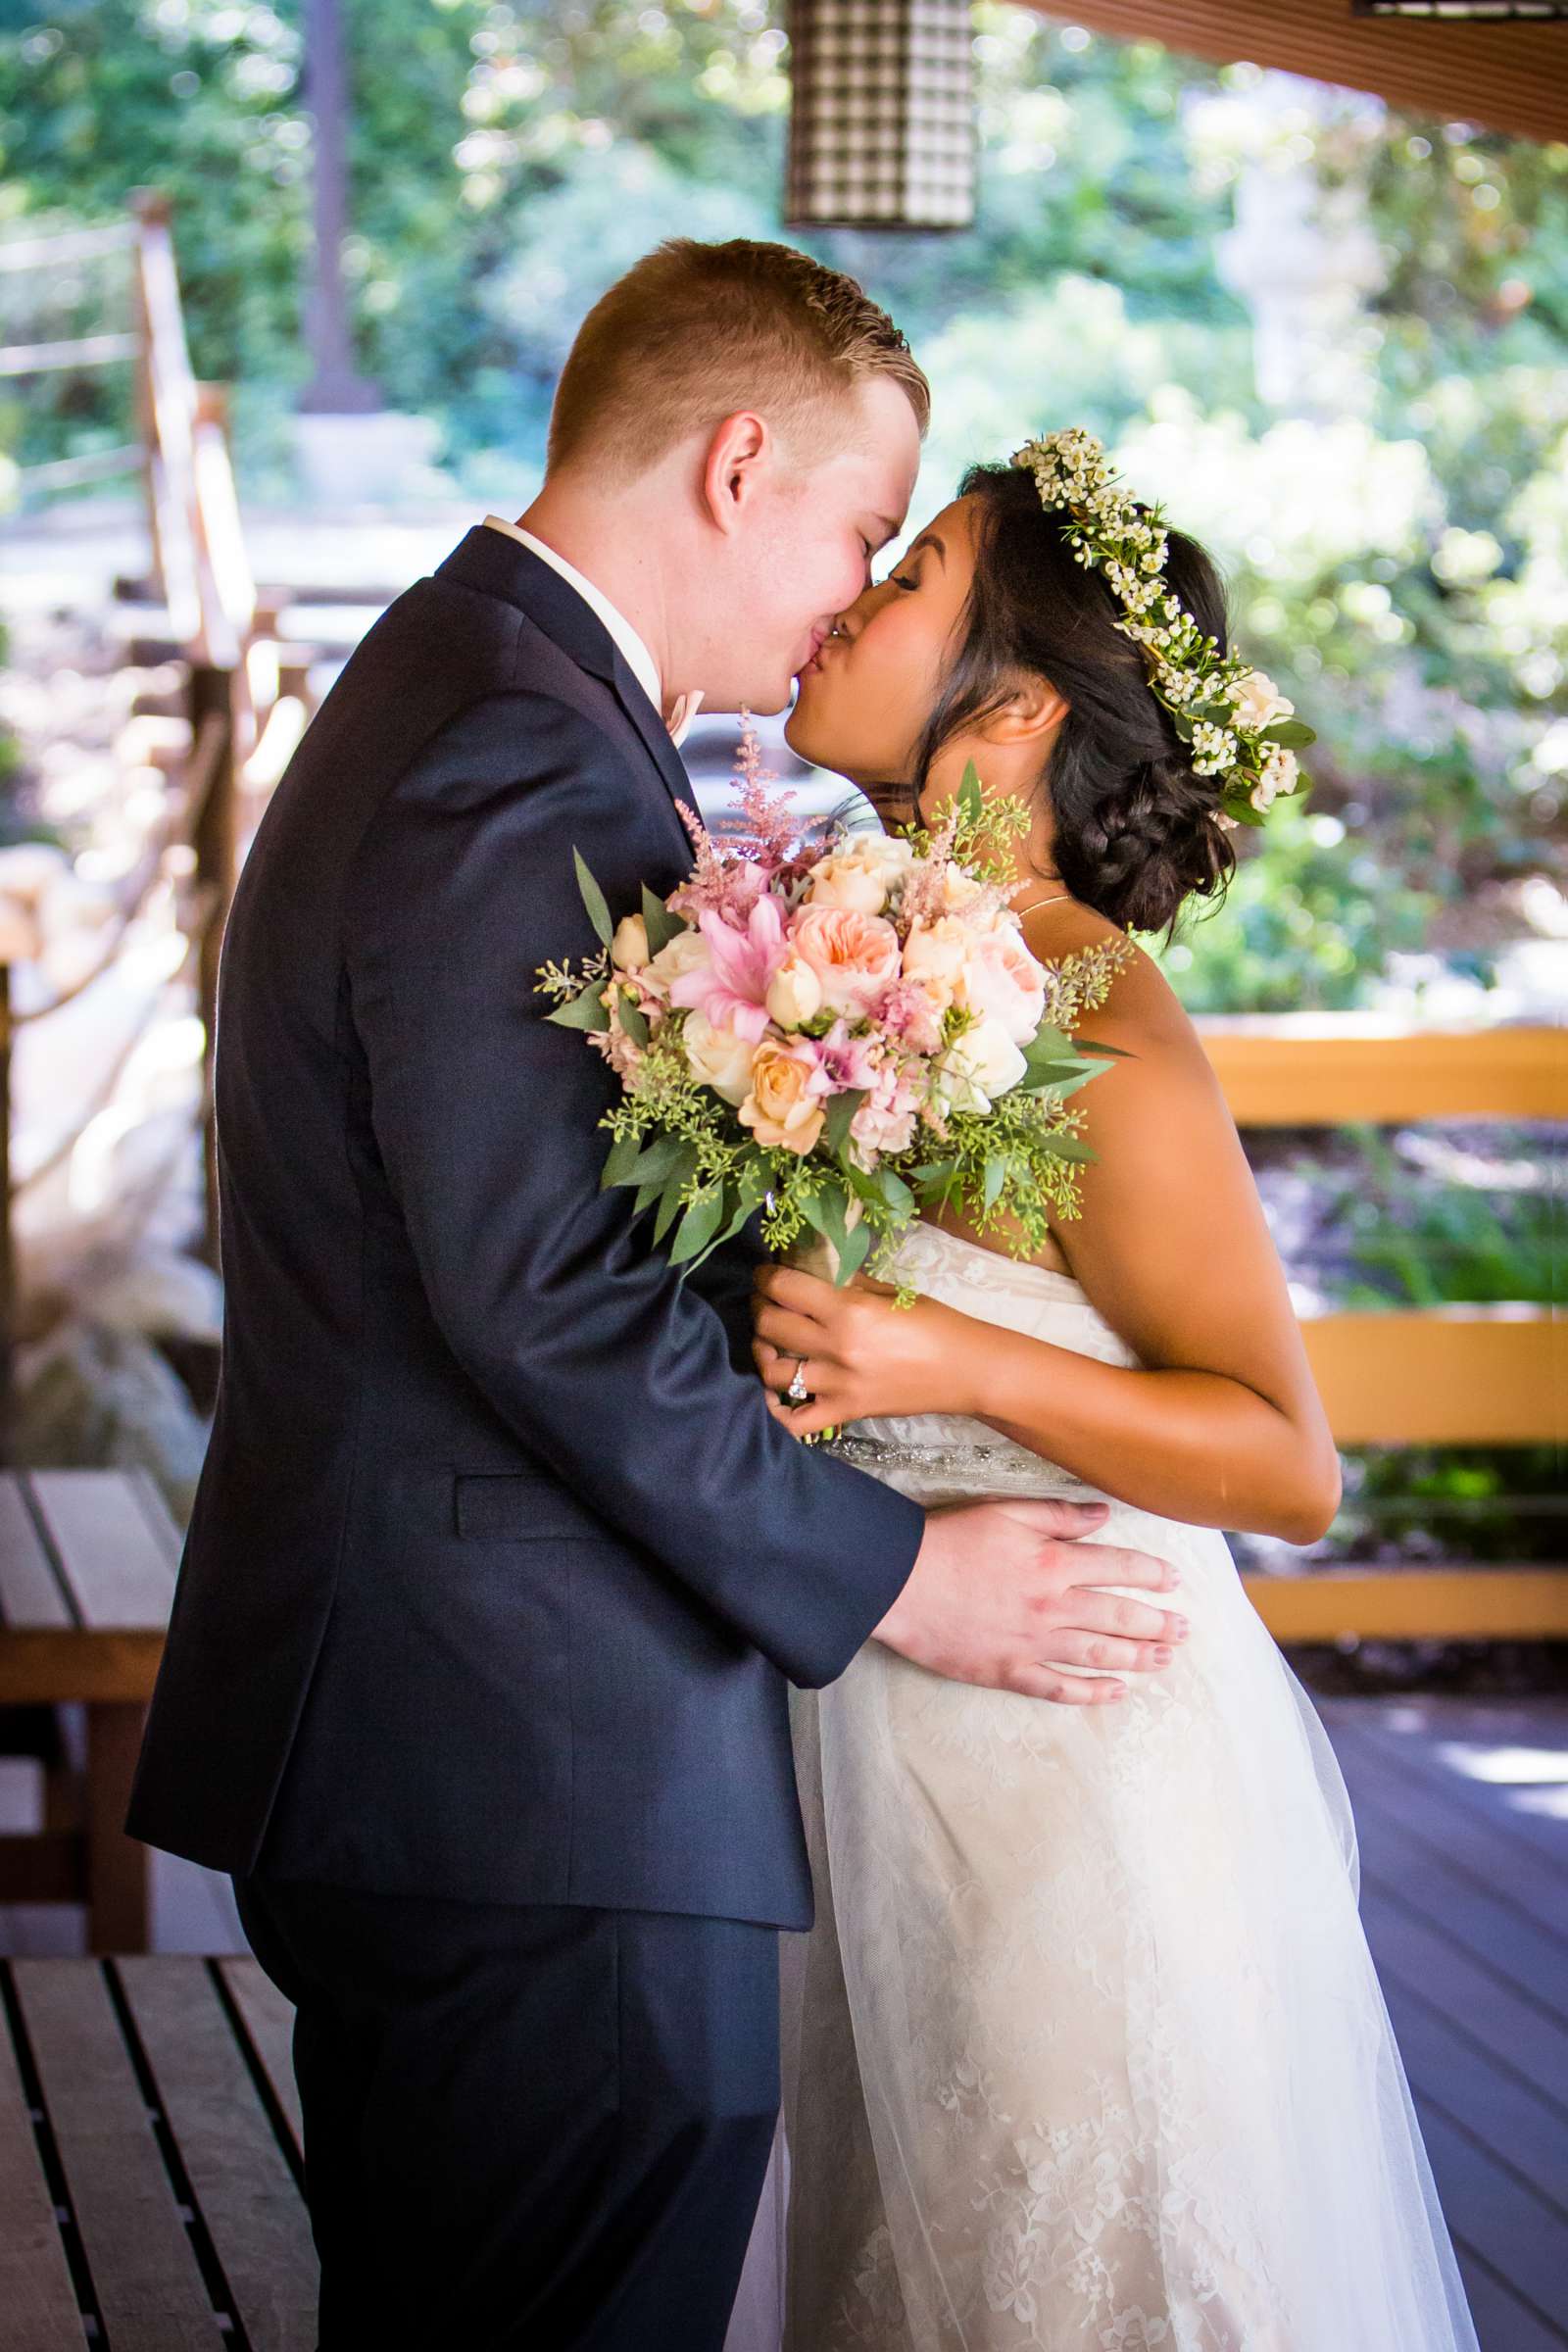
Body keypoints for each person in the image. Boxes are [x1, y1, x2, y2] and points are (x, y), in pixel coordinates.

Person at [123, 248, 1189, 2351]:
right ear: (734, 465)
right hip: (528, 1763)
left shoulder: (482, 694)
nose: (853, 589)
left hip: (477, 1743)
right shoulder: (515, 751)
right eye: (860, 531)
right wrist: (900, 1578)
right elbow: (553, 1301)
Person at [745, 451, 1480, 2350]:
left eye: (902, 576)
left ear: (1009, 705)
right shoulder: (849, 963)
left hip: (1079, 1794)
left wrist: (939, 1357)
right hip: (880, 1771)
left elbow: (1284, 1461)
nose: (848, 598)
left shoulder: (1098, 1025)